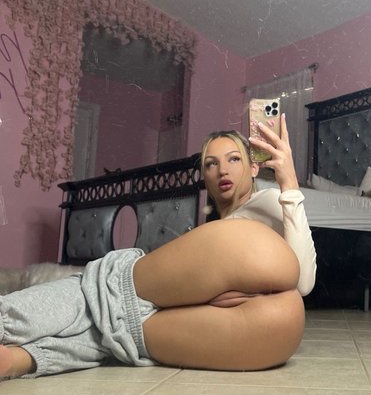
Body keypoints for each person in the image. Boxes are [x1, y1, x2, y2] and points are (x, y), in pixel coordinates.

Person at [0, 115, 316, 378]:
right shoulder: (214, 229)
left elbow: (302, 283)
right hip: (169, 306)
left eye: (234, 159)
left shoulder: (269, 201)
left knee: (110, 297)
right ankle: (21, 358)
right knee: (115, 318)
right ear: (204, 177)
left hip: (262, 320)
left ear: (254, 167)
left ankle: (12, 331)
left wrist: (289, 186)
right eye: (211, 164)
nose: (223, 170)